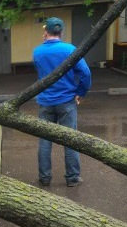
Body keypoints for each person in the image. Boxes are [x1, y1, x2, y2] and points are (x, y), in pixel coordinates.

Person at [33, 17, 92, 186]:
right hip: (67, 101)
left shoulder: (37, 52)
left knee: (44, 141)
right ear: (61, 32)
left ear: (46, 32)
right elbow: (86, 73)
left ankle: (45, 178)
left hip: (45, 102)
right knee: (70, 140)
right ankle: (72, 178)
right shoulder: (70, 50)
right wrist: (81, 92)